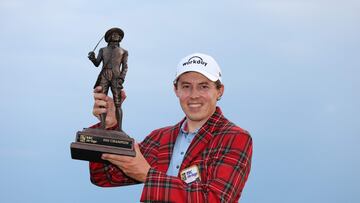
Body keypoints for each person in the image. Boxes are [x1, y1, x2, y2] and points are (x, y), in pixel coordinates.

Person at [89, 53, 253, 202]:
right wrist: (109, 126)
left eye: (204, 86)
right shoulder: (160, 138)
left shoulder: (235, 138)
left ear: (219, 91)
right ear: (176, 90)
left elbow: (215, 199)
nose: (194, 95)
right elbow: (104, 176)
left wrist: (148, 175)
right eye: (186, 86)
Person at [88, 27, 128, 131]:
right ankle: (102, 126)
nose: (116, 36)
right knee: (102, 101)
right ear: (109, 38)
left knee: (117, 102)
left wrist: (121, 79)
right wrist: (92, 58)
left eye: (118, 35)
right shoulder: (103, 50)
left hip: (116, 77)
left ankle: (119, 128)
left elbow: (125, 67)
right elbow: (97, 63)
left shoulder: (123, 51)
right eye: (113, 34)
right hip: (104, 75)